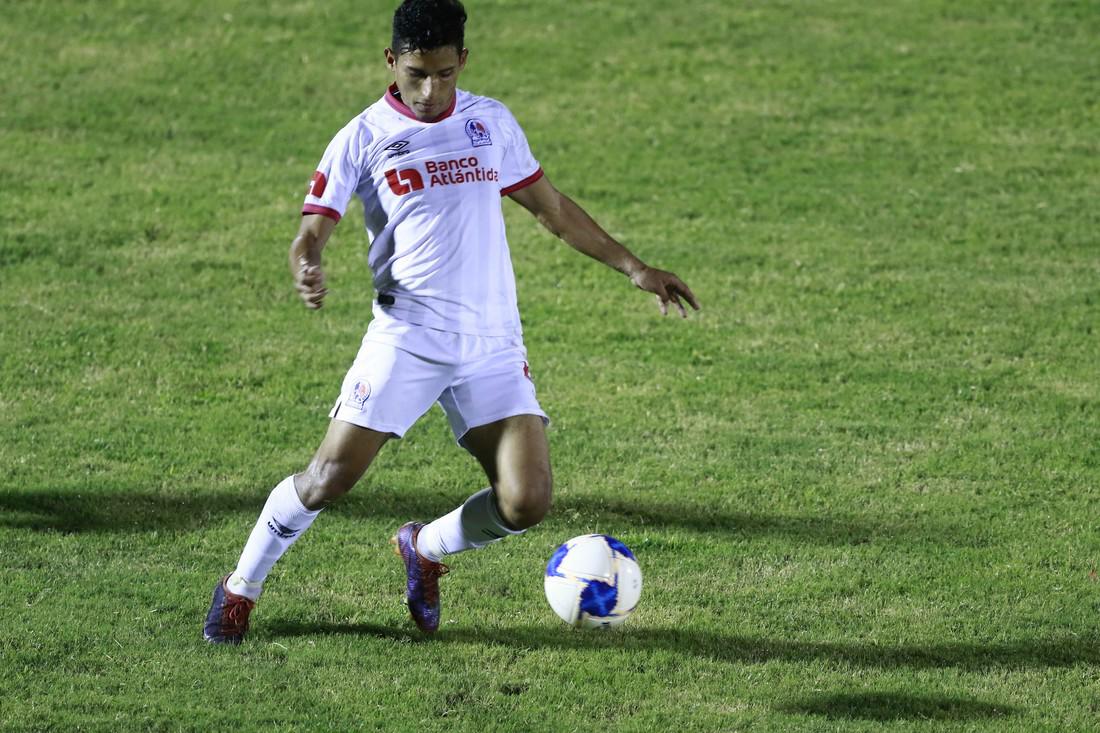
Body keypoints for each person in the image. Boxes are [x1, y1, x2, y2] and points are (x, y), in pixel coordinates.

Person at [203, 0, 699, 644]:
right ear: (391, 62)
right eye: (416, 73)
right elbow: (313, 226)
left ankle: (425, 547)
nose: (432, 89)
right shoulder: (362, 136)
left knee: (526, 501)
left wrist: (633, 267)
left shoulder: (490, 123)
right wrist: (307, 259)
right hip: (406, 338)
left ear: (462, 60)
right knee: (327, 479)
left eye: (444, 73)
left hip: (492, 342)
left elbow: (550, 207)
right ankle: (241, 587)